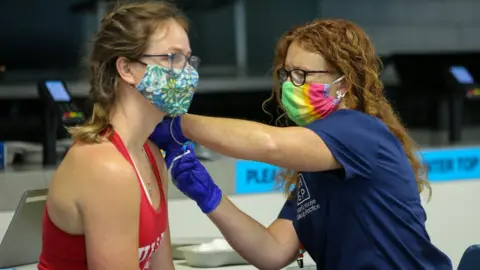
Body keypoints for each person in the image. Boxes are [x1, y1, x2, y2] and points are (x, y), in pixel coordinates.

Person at [151, 19, 453, 269]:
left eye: (302, 75)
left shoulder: (358, 130)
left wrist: (182, 125)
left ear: (344, 83)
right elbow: (272, 252)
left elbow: (271, 144)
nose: (289, 86)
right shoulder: (317, 171)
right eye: (286, 74)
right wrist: (209, 196)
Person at [38, 1, 200, 269]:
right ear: (126, 69)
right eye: (172, 58)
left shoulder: (150, 155)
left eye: (188, 58)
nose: (188, 73)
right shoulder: (106, 167)